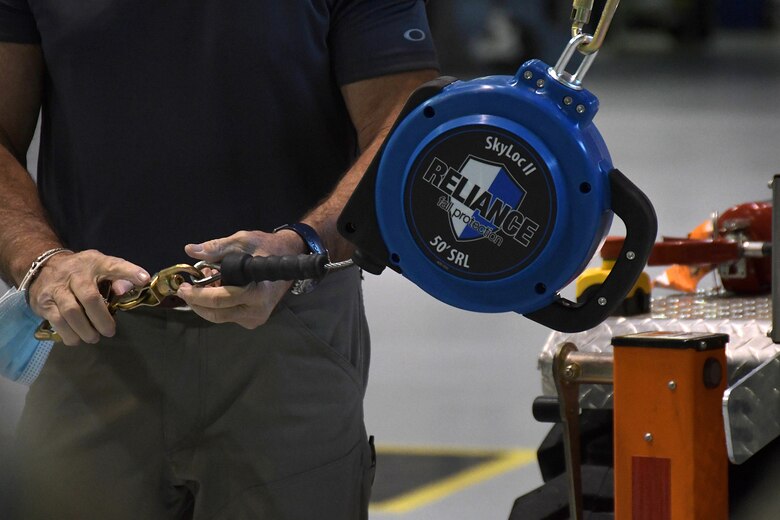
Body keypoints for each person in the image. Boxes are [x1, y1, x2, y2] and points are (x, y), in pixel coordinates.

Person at [0, 1, 438, 518]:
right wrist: (43, 264)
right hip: (91, 330)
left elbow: (405, 124)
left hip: (288, 328)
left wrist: (304, 242)